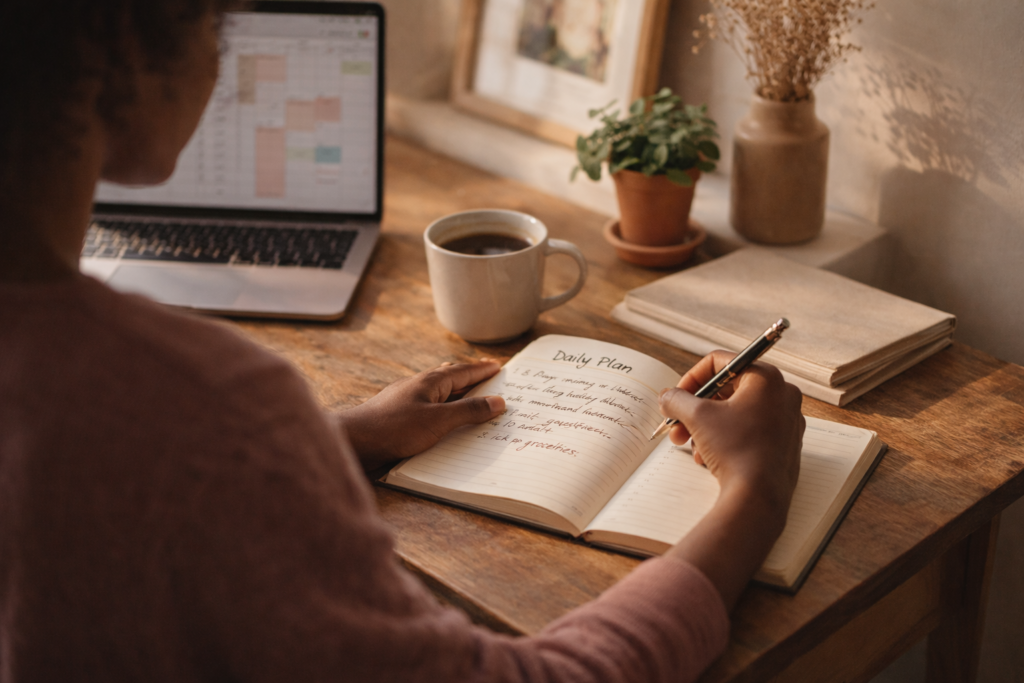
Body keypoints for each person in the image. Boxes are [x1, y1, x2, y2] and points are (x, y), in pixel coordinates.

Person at [0, 1, 805, 681]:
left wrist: (336, 435)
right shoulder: (209, 408)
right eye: (218, 27)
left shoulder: (163, 415)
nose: (219, 61)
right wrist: (756, 492)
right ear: (128, 53)